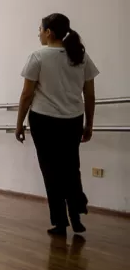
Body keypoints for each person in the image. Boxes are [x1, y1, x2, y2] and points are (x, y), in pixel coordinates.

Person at [15, 13, 97, 236]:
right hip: (73, 119)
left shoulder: (38, 56)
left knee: (51, 171)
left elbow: (26, 95)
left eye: (40, 29)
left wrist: (19, 123)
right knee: (71, 168)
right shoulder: (79, 55)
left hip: (44, 121)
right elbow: (89, 94)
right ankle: (77, 214)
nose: (38, 34)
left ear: (48, 32)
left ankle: (60, 222)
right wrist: (89, 123)